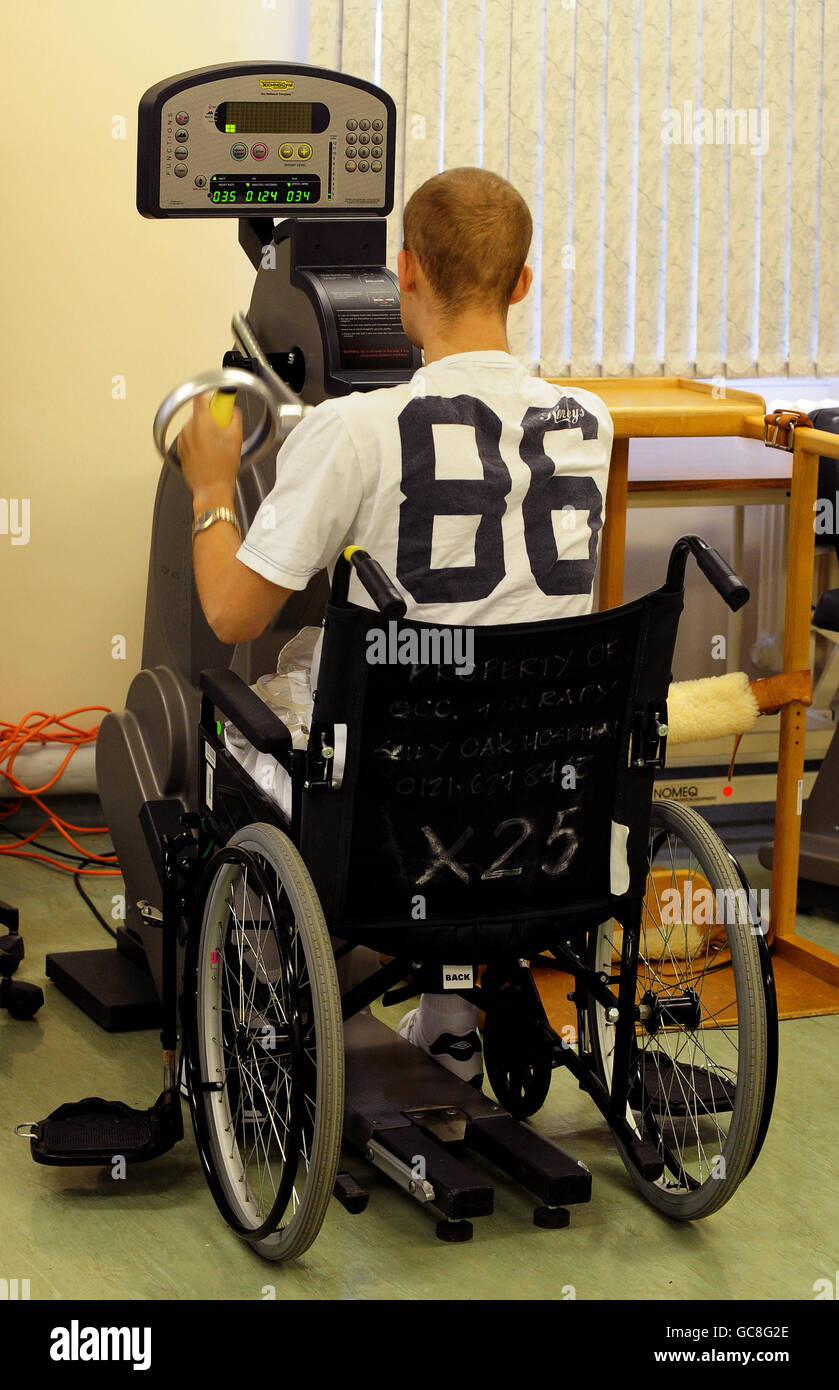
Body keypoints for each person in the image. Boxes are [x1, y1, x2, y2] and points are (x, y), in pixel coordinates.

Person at [178, 165, 614, 1088]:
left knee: (239, 727)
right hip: (538, 794)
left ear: (404, 273)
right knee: (458, 692)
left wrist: (213, 487)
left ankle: (271, 991)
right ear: (524, 282)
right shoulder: (590, 424)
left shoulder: (351, 430)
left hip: (385, 801)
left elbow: (229, 613)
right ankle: (451, 1017)